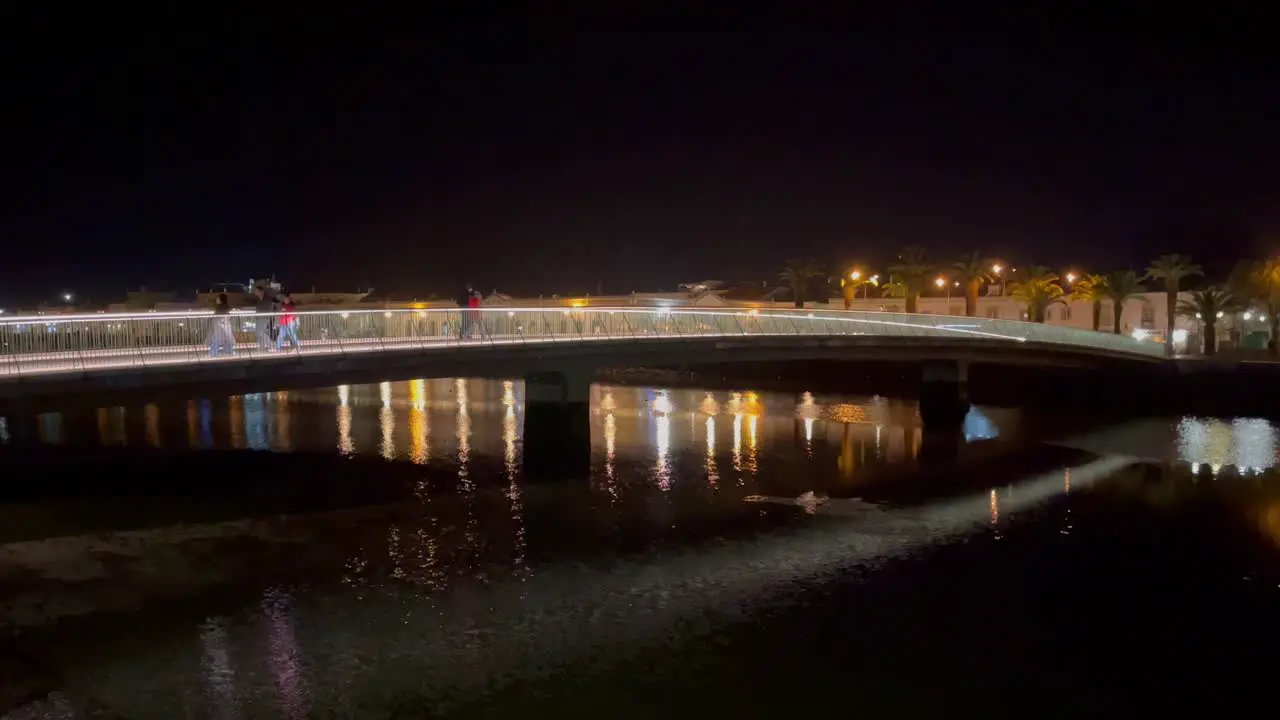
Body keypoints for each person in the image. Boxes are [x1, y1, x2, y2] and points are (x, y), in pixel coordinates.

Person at [253, 285, 277, 351]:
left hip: (265, 318)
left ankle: (271, 346)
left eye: (257, 291)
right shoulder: (258, 300)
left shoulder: (267, 299)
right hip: (259, 318)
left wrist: (271, 318)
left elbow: (271, 308)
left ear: (262, 292)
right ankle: (262, 347)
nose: (255, 293)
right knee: (259, 333)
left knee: (262, 333)